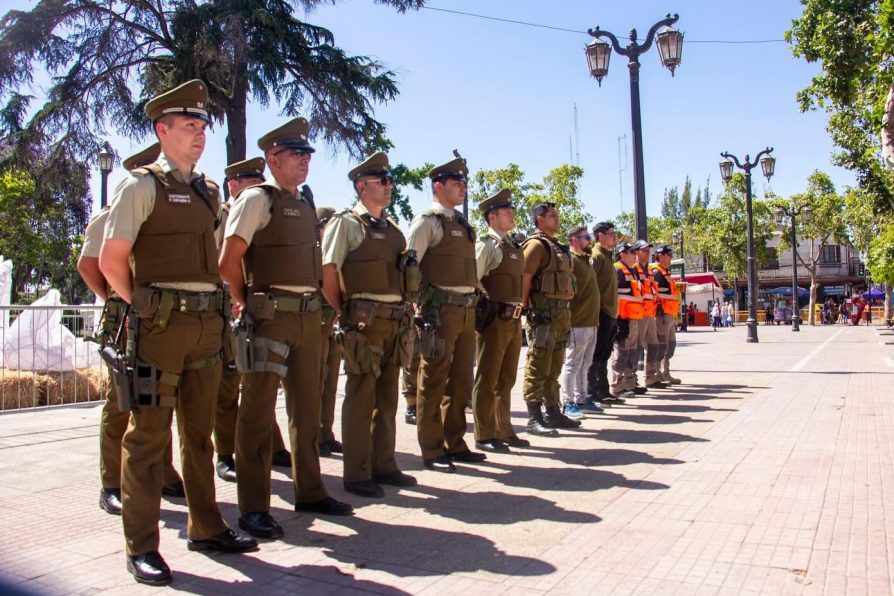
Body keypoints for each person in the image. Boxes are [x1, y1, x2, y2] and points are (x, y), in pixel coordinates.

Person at [99, 80, 257, 586]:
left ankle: (206, 526)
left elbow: (212, 258)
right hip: (159, 329)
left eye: (203, 126)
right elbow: (110, 260)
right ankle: (141, 545)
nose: (200, 134)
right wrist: (140, 303)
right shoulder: (141, 186)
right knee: (147, 439)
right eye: (189, 126)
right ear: (161, 131)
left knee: (199, 436)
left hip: (205, 328)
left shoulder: (208, 190)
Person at [220, 117, 354, 542]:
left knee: (307, 410)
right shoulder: (258, 199)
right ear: (272, 159)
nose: (304, 162)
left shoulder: (305, 202)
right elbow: (228, 260)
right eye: (296, 155)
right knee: (257, 413)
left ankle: (310, 492)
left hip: (306, 318)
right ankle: (254, 507)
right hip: (270, 316)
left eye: (307, 155)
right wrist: (250, 301)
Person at [78, 143, 184, 516]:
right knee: (121, 400)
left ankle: (164, 471)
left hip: (158, 315)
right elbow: (89, 265)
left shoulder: (171, 210)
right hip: (126, 316)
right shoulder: (109, 215)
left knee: (160, 397)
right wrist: (116, 297)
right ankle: (111, 482)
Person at [320, 151, 417, 497]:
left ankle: (384, 464)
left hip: (394, 321)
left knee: (387, 397)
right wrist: (344, 310)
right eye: (382, 181)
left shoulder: (393, 230)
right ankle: (357, 473)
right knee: (361, 397)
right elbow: (328, 271)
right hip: (363, 322)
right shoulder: (346, 224)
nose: (389, 187)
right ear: (362, 186)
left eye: (390, 181)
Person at [213, 157, 291, 483]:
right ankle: (226, 453)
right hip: (225, 309)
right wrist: (233, 298)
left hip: (254, 309)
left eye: (260, 177)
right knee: (229, 384)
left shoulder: (262, 208)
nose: (258, 183)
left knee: (260, 381)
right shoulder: (221, 215)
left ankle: (270, 445)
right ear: (233, 184)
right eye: (250, 178)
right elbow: (219, 260)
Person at [407, 157, 485, 473]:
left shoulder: (463, 225)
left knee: (461, 382)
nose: (462, 188)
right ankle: (431, 448)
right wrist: (416, 309)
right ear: (439, 187)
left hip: (466, 311)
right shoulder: (427, 221)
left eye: (464, 183)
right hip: (438, 312)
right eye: (456, 183)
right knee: (433, 381)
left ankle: (455, 442)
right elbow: (410, 266)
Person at [472, 189, 530, 452]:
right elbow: (472, 277)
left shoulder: (512, 246)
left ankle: (504, 428)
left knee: (506, 378)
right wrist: (485, 303)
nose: (512, 216)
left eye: (512, 212)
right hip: (494, 319)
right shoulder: (487, 245)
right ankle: (484, 434)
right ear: (492, 217)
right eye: (507, 212)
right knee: (487, 377)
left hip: (514, 321)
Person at [521, 202, 579, 434]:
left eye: (556, 214)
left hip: (561, 313)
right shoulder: (536, 246)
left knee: (555, 364)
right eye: (551, 215)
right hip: (543, 314)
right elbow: (524, 279)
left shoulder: (557, 246)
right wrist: (526, 309)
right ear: (539, 220)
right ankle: (534, 418)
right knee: (538, 364)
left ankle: (553, 411)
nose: (556, 218)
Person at [560, 225, 603, 419]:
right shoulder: (571, 260)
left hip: (591, 321)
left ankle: (582, 398)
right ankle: (568, 402)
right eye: (586, 237)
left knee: (585, 363)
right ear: (574, 240)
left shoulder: (586, 260)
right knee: (572, 363)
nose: (590, 240)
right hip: (577, 322)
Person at [315, 206, 344, 458]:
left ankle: (326, 433)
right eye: (325, 224)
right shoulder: (311, 252)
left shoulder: (336, 251)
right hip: (315, 324)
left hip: (333, 323)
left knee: (331, 382)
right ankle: (314, 435)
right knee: (316, 381)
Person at [586, 222, 619, 405]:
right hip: (601, 312)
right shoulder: (596, 256)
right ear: (600, 235)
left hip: (612, 313)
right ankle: (593, 391)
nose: (614, 237)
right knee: (596, 354)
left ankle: (604, 390)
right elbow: (592, 287)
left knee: (605, 355)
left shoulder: (608, 256)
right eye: (611, 233)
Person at [609, 242, 644, 399]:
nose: (634, 254)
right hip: (622, 318)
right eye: (631, 252)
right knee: (621, 353)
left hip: (634, 317)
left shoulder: (633, 271)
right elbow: (613, 295)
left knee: (632, 353)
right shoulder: (617, 269)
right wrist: (617, 319)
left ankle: (630, 384)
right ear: (622, 253)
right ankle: (617, 386)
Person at [649, 245, 681, 385]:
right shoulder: (657, 273)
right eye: (668, 255)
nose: (671, 258)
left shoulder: (665, 273)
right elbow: (655, 294)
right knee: (661, 345)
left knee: (670, 345)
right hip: (661, 314)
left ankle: (665, 373)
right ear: (660, 256)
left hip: (668, 314)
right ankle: (658, 375)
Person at [632, 239, 658, 393]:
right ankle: (632, 381)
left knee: (653, 346)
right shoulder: (633, 269)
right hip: (639, 314)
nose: (648, 253)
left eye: (648, 250)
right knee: (636, 348)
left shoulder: (649, 270)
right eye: (644, 250)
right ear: (636, 252)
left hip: (650, 314)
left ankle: (651, 378)